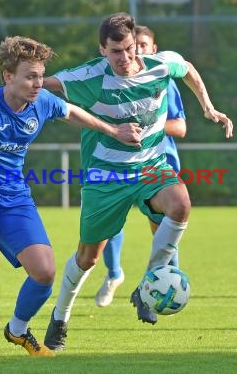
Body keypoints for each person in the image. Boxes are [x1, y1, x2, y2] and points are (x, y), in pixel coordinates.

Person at [0, 36, 141, 361]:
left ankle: (17, 330)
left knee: (44, 272)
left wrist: (113, 132)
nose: (37, 83)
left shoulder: (42, 101)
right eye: (29, 76)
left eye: (40, 76)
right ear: (7, 77)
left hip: (13, 194)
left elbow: (71, 111)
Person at [42, 13, 233, 350]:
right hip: (105, 176)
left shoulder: (160, 64)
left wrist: (208, 106)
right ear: (102, 50)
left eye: (129, 49)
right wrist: (14, 89)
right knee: (88, 258)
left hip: (151, 167)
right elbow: (42, 86)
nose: (125, 58)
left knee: (181, 205)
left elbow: (186, 67)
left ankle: (148, 282)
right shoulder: (87, 77)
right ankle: (59, 317)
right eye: (116, 51)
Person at [95, 24, 187, 309]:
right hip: (117, 164)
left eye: (144, 45)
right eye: (138, 45)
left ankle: (165, 286)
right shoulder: (110, 81)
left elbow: (180, 126)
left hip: (156, 165)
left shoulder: (163, 80)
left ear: (153, 50)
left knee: (163, 228)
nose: (140, 51)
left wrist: (147, 125)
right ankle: (114, 275)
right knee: (109, 225)